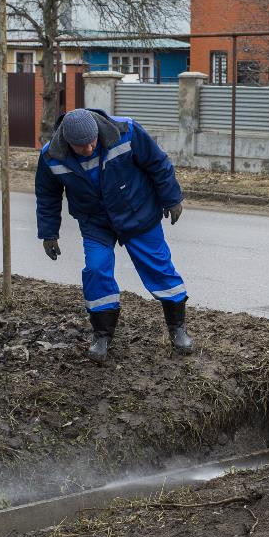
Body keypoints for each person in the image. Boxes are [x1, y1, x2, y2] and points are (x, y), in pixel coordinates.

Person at [35, 107, 192, 362]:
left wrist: (172, 198)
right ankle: (102, 335)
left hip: (137, 212)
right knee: (96, 270)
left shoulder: (126, 131)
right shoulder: (52, 156)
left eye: (92, 142)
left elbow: (157, 163)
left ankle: (178, 329)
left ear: (98, 132)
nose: (88, 149)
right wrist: (49, 233)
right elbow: (47, 195)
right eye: (80, 146)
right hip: (96, 221)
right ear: (67, 142)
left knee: (159, 268)